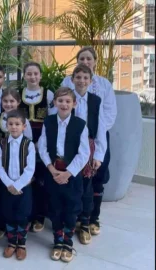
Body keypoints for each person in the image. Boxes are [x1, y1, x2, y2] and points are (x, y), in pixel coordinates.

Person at [61, 46, 117, 235]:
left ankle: (92, 218)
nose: (85, 62)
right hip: (72, 141)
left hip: (96, 138)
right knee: (75, 179)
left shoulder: (103, 85)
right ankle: (75, 218)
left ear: (95, 62)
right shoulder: (67, 83)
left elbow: (108, 114)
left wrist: (92, 136)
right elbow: (61, 108)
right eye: (82, 59)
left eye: (89, 59)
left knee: (96, 178)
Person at [38, 87, 90, 262]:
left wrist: (68, 173)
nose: (64, 104)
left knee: (71, 208)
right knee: (55, 207)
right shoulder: (49, 122)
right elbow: (42, 147)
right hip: (53, 172)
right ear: (55, 103)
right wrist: (52, 170)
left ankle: (68, 242)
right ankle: (57, 240)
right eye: (60, 101)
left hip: (71, 174)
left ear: (74, 104)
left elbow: (83, 154)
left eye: (68, 101)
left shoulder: (80, 125)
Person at [0, 88, 32, 240]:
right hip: (1, 168)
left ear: (18, 102)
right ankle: (2, 226)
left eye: (12, 101)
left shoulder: (24, 121)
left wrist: (18, 184)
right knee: (2, 202)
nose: (8, 104)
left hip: (20, 172)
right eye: (5, 101)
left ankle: (20, 236)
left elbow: (29, 142)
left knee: (20, 207)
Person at [69, 64, 107, 245]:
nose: (82, 81)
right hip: (70, 148)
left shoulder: (95, 101)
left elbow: (101, 130)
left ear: (91, 82)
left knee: (86, 187)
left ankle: (85, 223)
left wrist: (98, 155)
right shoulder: (66, 99)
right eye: (78, 77)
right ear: (72, 79)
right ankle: (72, 220)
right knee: (72, 186)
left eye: (85, 78)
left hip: (89, 148)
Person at [19, 62, 56, 233]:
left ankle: (40, 216)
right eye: (29, 73)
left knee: (41, 181)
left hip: (43, 140)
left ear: (40, 76)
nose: (32, 77)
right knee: (26, 178)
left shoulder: (48, 94)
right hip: (23, 141)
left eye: (35, 73)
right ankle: (26, 214)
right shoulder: (19, 94)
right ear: (24, 75)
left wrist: (41, 142)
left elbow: (52, 121)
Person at [0, 109, 35, 261]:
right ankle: (12, 242)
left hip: (23, 188)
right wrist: (9, 184)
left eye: (17, 124)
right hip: (7, 187)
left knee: (22, 215)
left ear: (24, 126)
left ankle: (22, 244)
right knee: (9, 214)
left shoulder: (29, 145)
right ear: (6, 126)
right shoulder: (2, 143)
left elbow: (30, 168)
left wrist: (18, 185)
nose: (14, 127)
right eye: (11, 124)